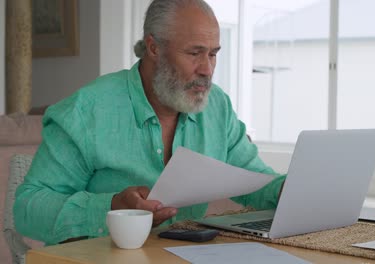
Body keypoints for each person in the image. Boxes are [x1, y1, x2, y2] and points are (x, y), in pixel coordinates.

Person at [14, 0, 285, 245]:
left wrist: (290, 190)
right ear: (154, 47)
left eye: (213, 54)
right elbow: (27, 210)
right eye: (194, 53)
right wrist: (111, 209)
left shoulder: (218, 108)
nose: (207, 69)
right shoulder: (87, 110)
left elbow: (256, 182)